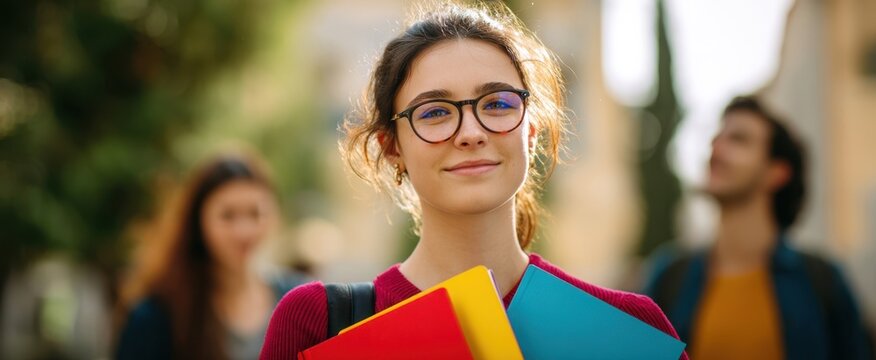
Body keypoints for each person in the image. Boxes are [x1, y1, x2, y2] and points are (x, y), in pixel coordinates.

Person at [260, 2, 686, 359]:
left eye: (498, 103)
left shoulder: (629, 330)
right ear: (393, 147)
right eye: (434, 112)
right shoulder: (317, 322)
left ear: (531, 130)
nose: (471, 132)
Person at [644, 96, 873, 359]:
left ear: (777, 172)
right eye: (716, 139)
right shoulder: (668, 278)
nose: (716, 149)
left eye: (738, 139)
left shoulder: (822, 281)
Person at [115, 153, 309, 360]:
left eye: (255, 213)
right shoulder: (157, 316)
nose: (243, 231)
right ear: (198, 221)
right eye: (228, 215)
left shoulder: (299, 303)